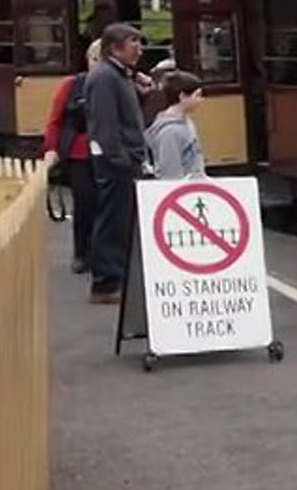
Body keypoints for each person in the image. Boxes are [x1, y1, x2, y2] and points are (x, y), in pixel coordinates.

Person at [81, 22, 153, 305]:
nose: (139, 49)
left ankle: (116, 277)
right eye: (133, 42)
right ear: (114, 48)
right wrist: (120, 159)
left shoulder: (120, 75)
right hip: (117, 164)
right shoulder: (104, 78)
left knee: (122, 221)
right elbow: (105, 124)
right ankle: (106, 282)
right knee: (113, 220)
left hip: (126, 159)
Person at [40, 40, 103, 276]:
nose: (98, 65)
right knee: (85, 203)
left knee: (107, 206)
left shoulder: (119, 85)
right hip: (80, 154)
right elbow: (55, 120)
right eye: (95, 59)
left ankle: (103, 254)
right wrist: (51, 148)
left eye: (103, 60)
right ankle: (81, 253)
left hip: (108, 153)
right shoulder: (72, 85)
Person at [146, 69, 207, 180]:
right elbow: (170, 174)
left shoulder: (187, 122)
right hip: (183, 188)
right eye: (197, 95)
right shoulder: (169, 132)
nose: (201, 100)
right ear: (182, 96)